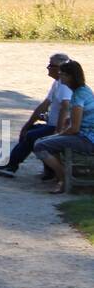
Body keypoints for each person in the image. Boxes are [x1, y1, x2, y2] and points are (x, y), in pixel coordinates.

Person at [0, 54, 71, 178]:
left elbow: (66, 108)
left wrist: (58, 131)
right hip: (52, 125)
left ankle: (12, 166)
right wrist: (27, 124)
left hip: (61, 128)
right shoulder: (57, 83)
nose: (48, 67)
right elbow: (44, 105)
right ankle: (48, 170)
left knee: (31, 136)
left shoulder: (65, 86)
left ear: (60, 68)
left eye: (51, 65)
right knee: (29, 131)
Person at [33, 61, 94, 192]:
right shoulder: (83, 90)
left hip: (87, 139)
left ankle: (64, 180)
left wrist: (59, 134)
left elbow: (75, 129)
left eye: (62, 75)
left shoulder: (79, 95)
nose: (60, 77)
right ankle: (60, 177)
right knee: (47, 142)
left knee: (40, 146)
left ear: (71, 76)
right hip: (86, 135)